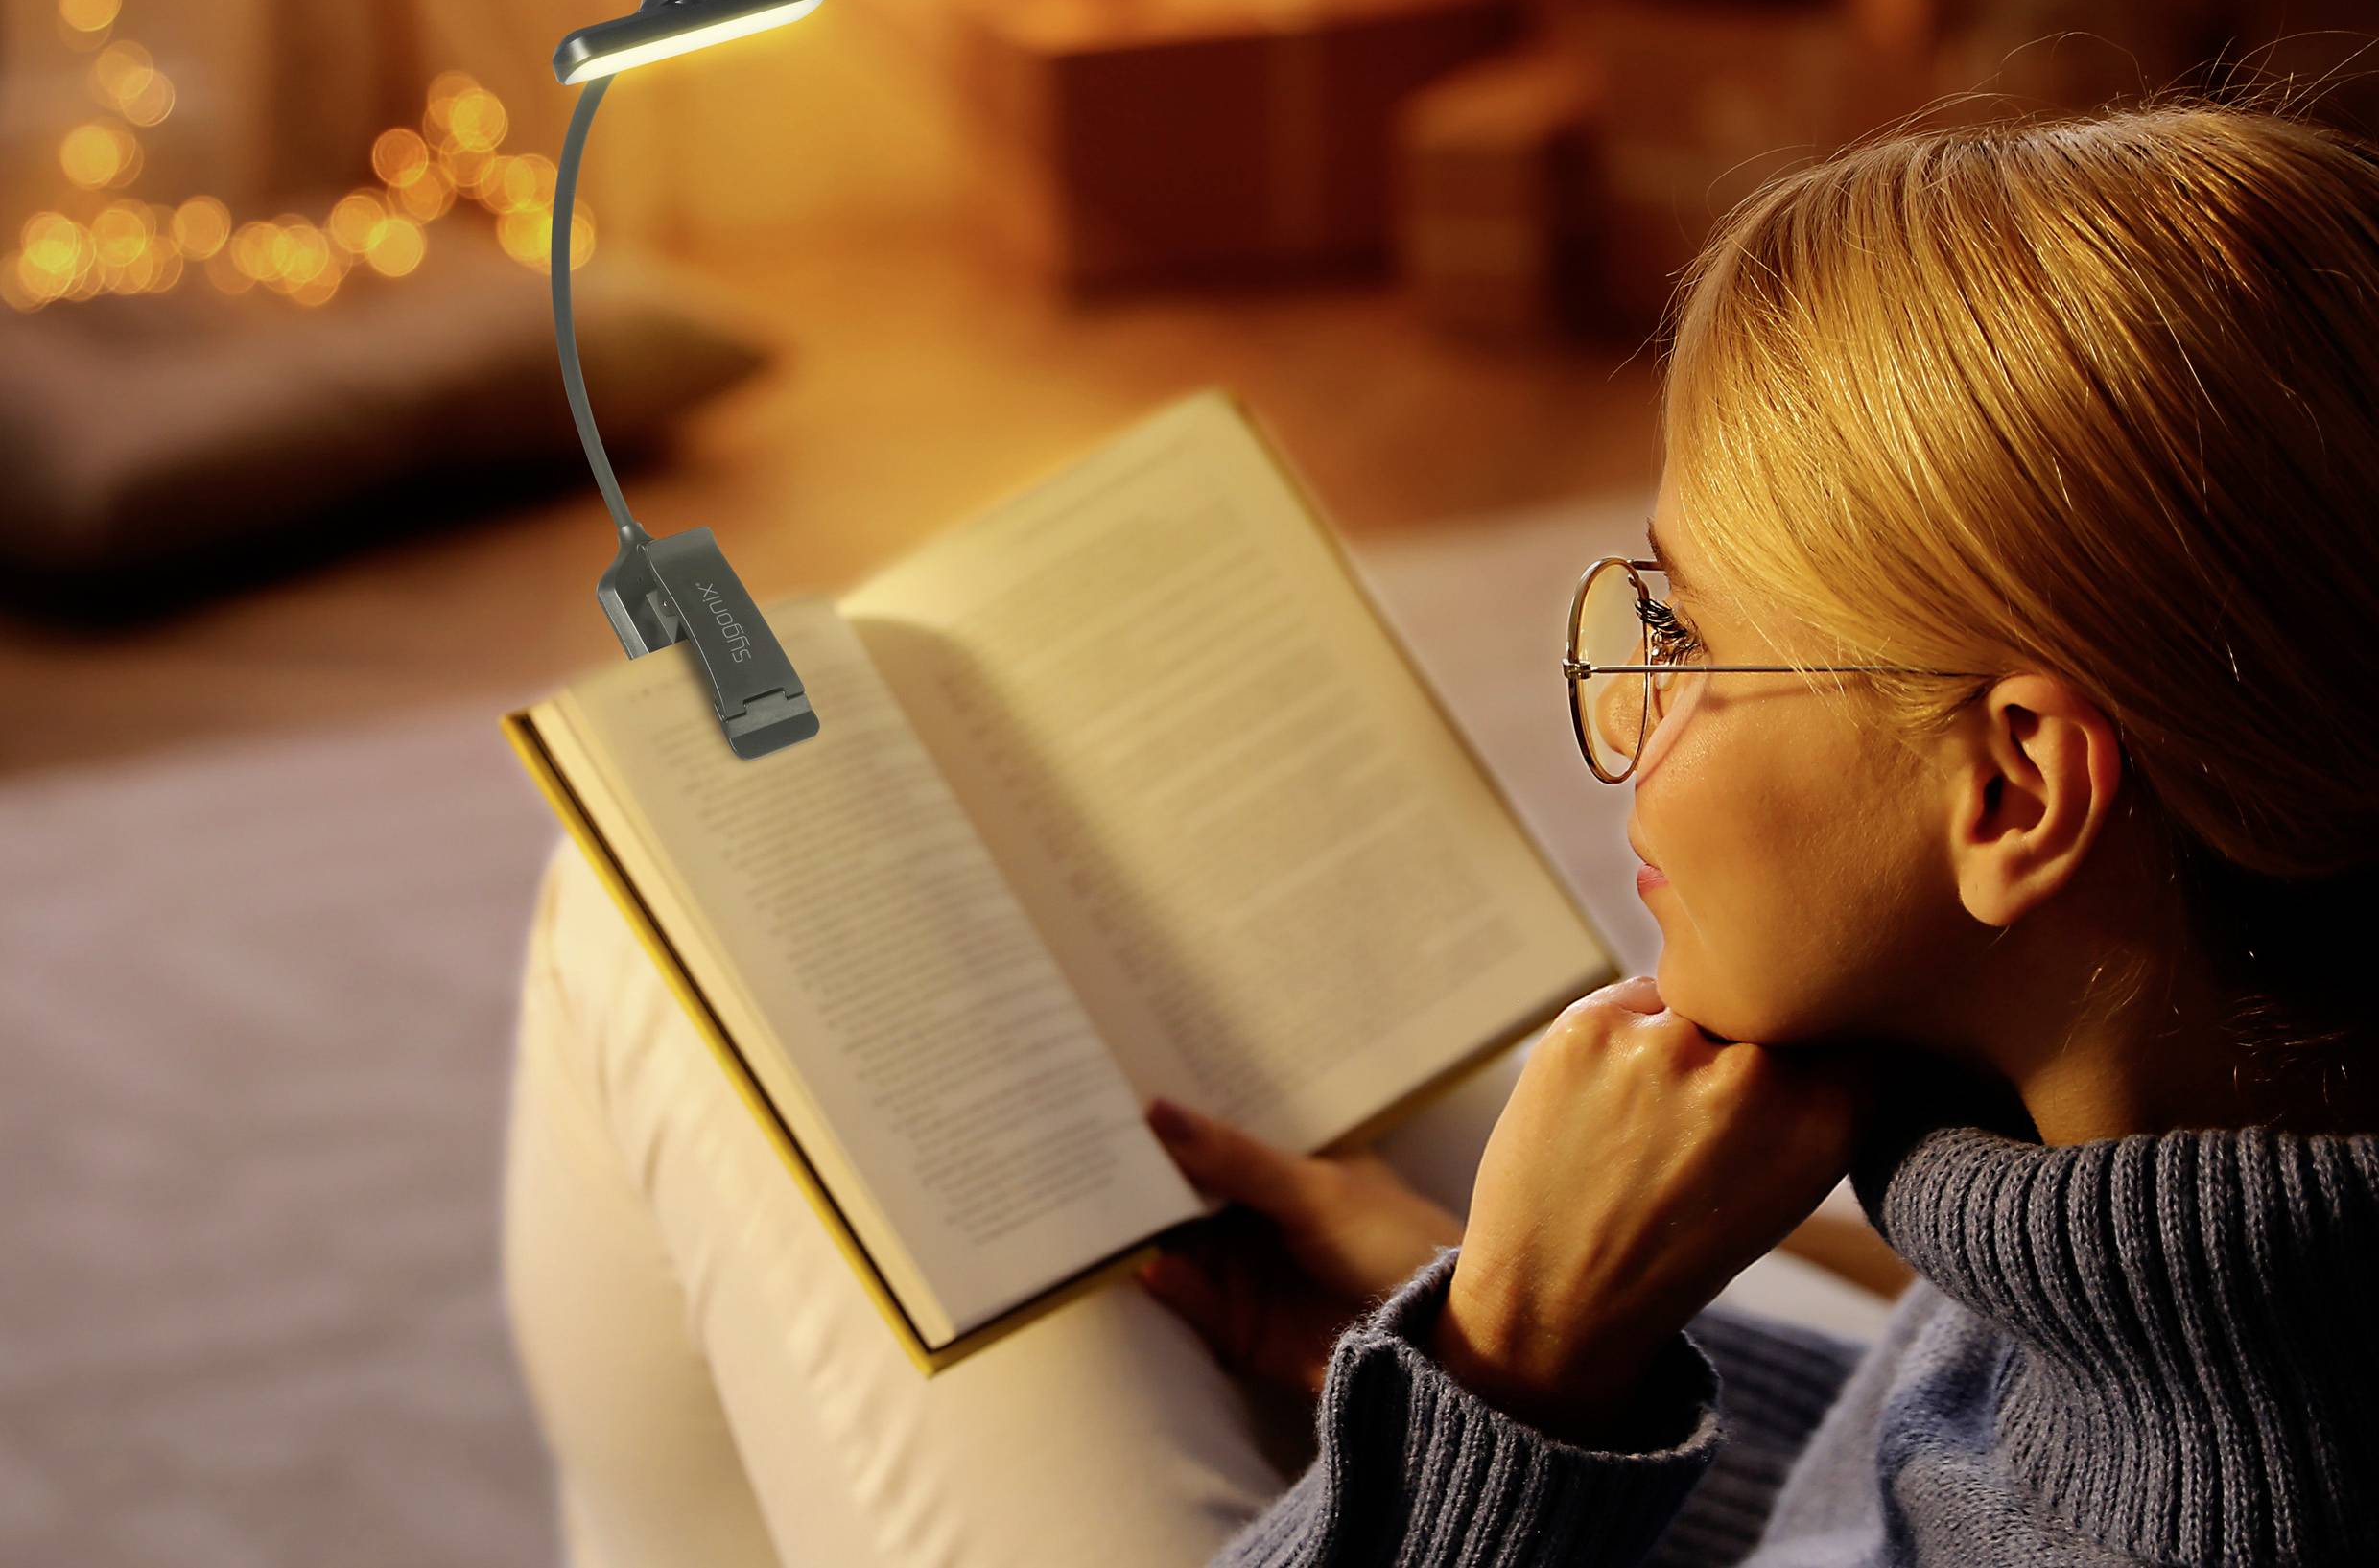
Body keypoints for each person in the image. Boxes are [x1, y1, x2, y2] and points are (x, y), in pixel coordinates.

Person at [502, 98, 2379, 1566]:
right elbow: (1943, 1481)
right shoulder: (2182, 1165)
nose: (1636, 708)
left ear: (2013, 791)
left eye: (1693, 637)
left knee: (671, 918)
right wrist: (1478, 1337)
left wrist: (1505, 1389)